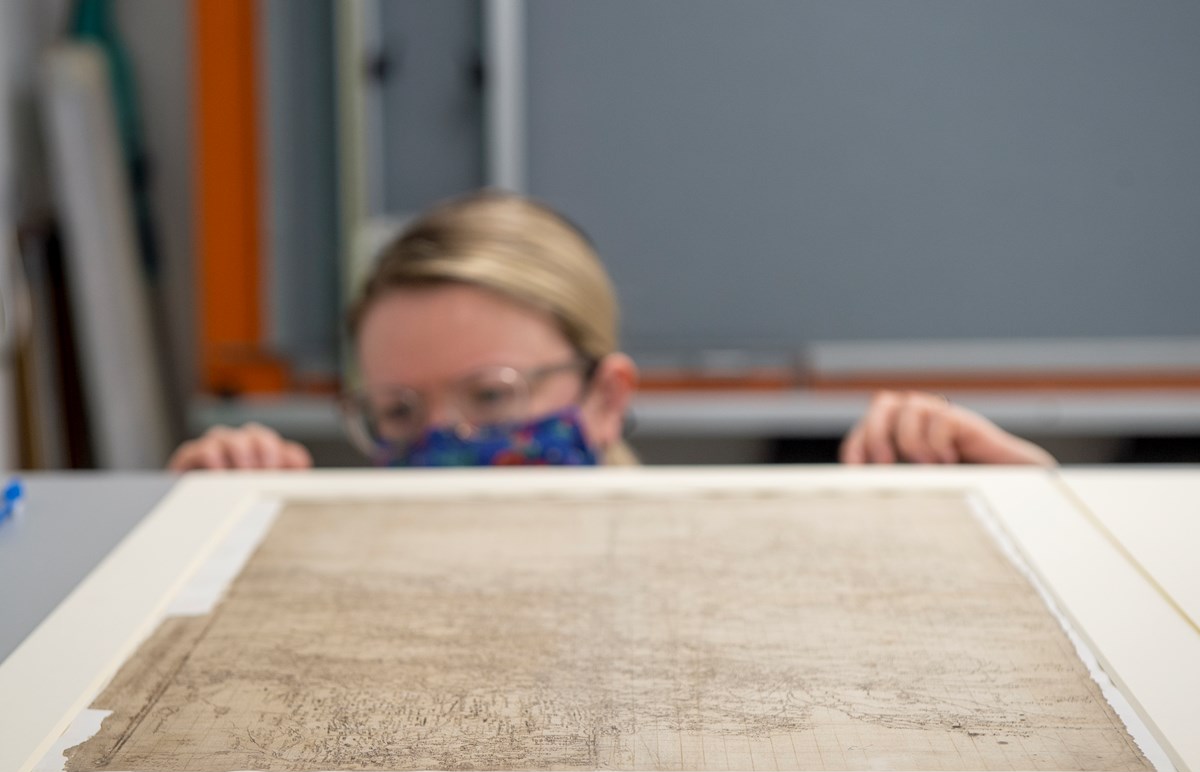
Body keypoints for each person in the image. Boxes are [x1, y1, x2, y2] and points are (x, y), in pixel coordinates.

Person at [168, 191, 1054, 471]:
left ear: (606, 396)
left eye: (493, 395)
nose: (447, 443)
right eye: (399, 412)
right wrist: (200, 540)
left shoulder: (720, 569)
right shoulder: (328, 583)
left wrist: (1024, 507)